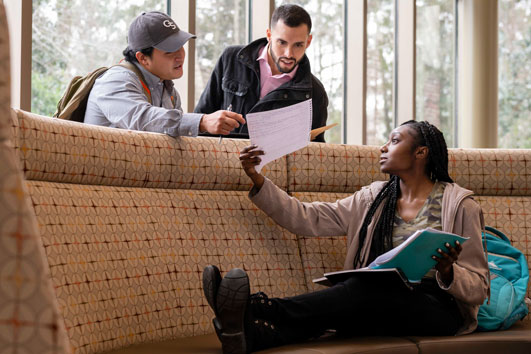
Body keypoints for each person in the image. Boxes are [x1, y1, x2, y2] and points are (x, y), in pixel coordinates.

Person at [202, 121, 490, 353]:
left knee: (365, 289)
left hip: (437, 309)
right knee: (364, 294)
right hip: (375, 302)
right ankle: (253, 336)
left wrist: (449, 271)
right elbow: (306, 218)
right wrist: (257, 178)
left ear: (421, 152)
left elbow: (479, 288)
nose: (383, 147)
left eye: (394, 140)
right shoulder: (373, 198)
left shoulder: (461, 206)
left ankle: (254, 307)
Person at [84, 11, 245, 138]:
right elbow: (142, 119)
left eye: (180, 46)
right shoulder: (116, 80)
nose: (180, 55)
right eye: (169, 51)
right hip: (104, 178)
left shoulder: (169, 91)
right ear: (143, 58)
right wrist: (202, 121)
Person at [194, 4, 329, 142]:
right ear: (269, 35)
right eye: (282, 42)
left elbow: (314, 153)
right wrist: (207, 124)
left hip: (274, 163)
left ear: (308, 42)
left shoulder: (315, 92)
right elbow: (199, 120)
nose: (289, 54)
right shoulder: (231, 59)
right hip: (220, 161)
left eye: (298, 45)